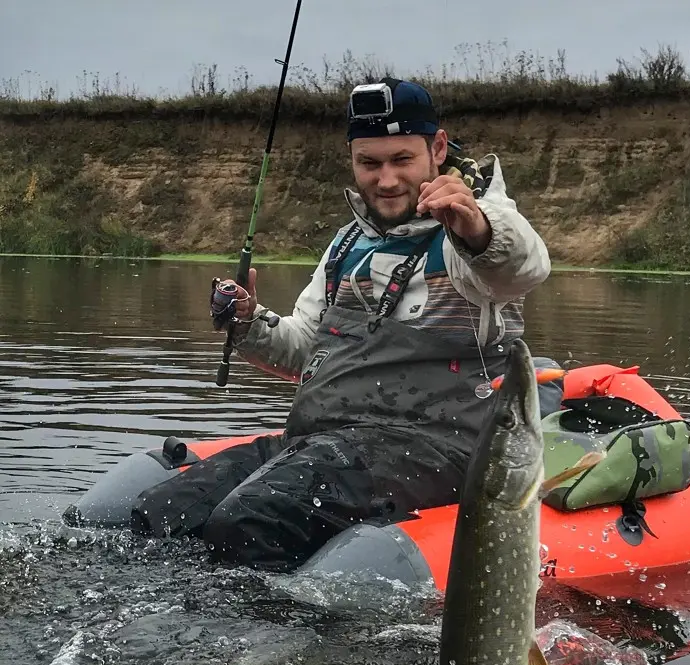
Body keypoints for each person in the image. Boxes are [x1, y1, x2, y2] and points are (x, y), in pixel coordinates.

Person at [130, 77, 552, 571]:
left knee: (250, 520)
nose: (386, 180)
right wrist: (249, 322)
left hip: (435, 448)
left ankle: (276, 644)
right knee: (159, 515)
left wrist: (475, 227)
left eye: (402, 160)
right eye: (369, 163)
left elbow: (524, 266)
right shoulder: (348, 243)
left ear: (437, 148)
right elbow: (305, 350)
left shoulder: (475, 225)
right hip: (321, 442)